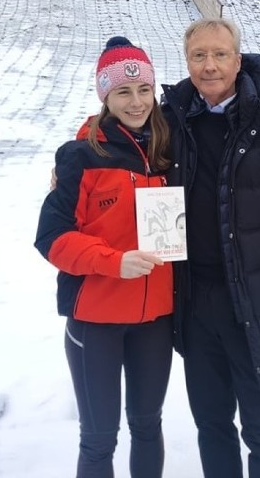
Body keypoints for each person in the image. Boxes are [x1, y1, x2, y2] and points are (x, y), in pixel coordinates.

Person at [161, 17, 260, 478]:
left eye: (220, 54)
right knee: (211, 422)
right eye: (198, 56)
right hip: (195, 300)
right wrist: (69, 156)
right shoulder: (170, 121)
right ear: (187, 60)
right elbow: (115, 126)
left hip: (254, 297)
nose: (209, 66)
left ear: (238, 58)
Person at [34, 36, 174, 478]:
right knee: (99, 437)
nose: (136, 103)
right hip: (96, 320)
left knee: (148, 426)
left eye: (144, 90)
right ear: (105, 96)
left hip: (155, 319)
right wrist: (112, 261)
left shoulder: (170, 151)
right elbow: (52, 238)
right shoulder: (81, 156)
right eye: (123, 92)